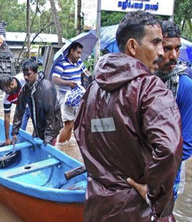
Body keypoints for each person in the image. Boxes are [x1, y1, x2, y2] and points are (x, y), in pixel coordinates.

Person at [74, 11, 182, 221]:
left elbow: (82, 136)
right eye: (156, 43)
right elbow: (169, 148)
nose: (161, 52)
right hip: (138, 211)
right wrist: (154, 194)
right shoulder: (150, 88)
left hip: (98, 207)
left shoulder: (92, 90)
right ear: (132, 46)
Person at [155, 21, 192, 200]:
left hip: (168, 175)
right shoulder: (142, 78)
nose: (173, 55)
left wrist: (154, 169)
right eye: (167, 48)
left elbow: (186, 144)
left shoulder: (184, 86)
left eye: (177, 49)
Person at [11, 59, 61, 146]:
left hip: (52, 126)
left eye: (29, 74)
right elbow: (19, 110)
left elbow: (51, 116)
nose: (26, 77)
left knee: (48, 145)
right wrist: (15, 130)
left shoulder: (47, 88)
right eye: (24, 75)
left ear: (35, 73)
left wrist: (48, 137)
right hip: (38, 124)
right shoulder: (26, 88)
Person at [51, 41, 90, 145]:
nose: (79, 55)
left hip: (77, 97)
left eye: (81, 53)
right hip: (65, 97)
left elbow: (86, 73)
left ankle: (66, 146)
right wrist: (67, 83)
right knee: (68, 124)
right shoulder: (61, 64)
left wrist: (87, 75)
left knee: (73, 124)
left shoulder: (79, 63)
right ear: (71, 51)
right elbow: (54, 79)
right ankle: (60, 147)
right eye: (78, 52)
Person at [0, 73, 31, 145]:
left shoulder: (24, 79)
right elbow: (7, 117)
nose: (6, 93)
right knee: (20, 132)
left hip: (33, 105)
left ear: (12, 84)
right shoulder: (7, 97)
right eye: (4, 91)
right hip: (22, 109)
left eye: (7, 91)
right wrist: (7, 138)